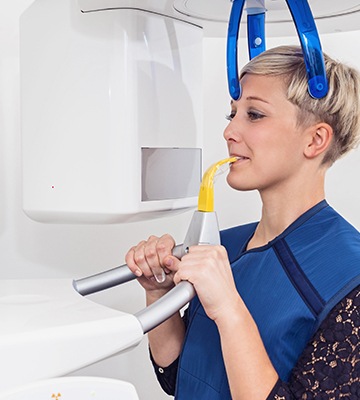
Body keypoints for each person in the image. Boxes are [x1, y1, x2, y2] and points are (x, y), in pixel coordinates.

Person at [125, 45, 360, 399]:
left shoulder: (348, 277)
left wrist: (229, 309)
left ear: (315, 140)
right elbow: (180, 378)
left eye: (254, 114)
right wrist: (158, 292)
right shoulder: (223, 247)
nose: (229, 132)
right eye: (231, 114)